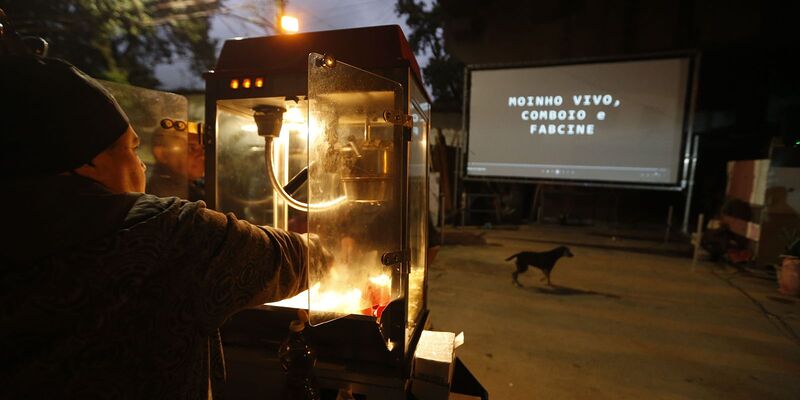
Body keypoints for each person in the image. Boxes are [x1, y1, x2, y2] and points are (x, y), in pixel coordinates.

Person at [0, 55, 323, 398]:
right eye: (132, 150)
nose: (141, 167)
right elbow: (300, 258)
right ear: (90, 162)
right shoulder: (173, 234)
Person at [147, 127, 206, 201]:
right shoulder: (166, 197)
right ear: (162, 154)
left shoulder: (198, 185)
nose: (203, 156)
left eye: (203, 148)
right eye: (192, 148)